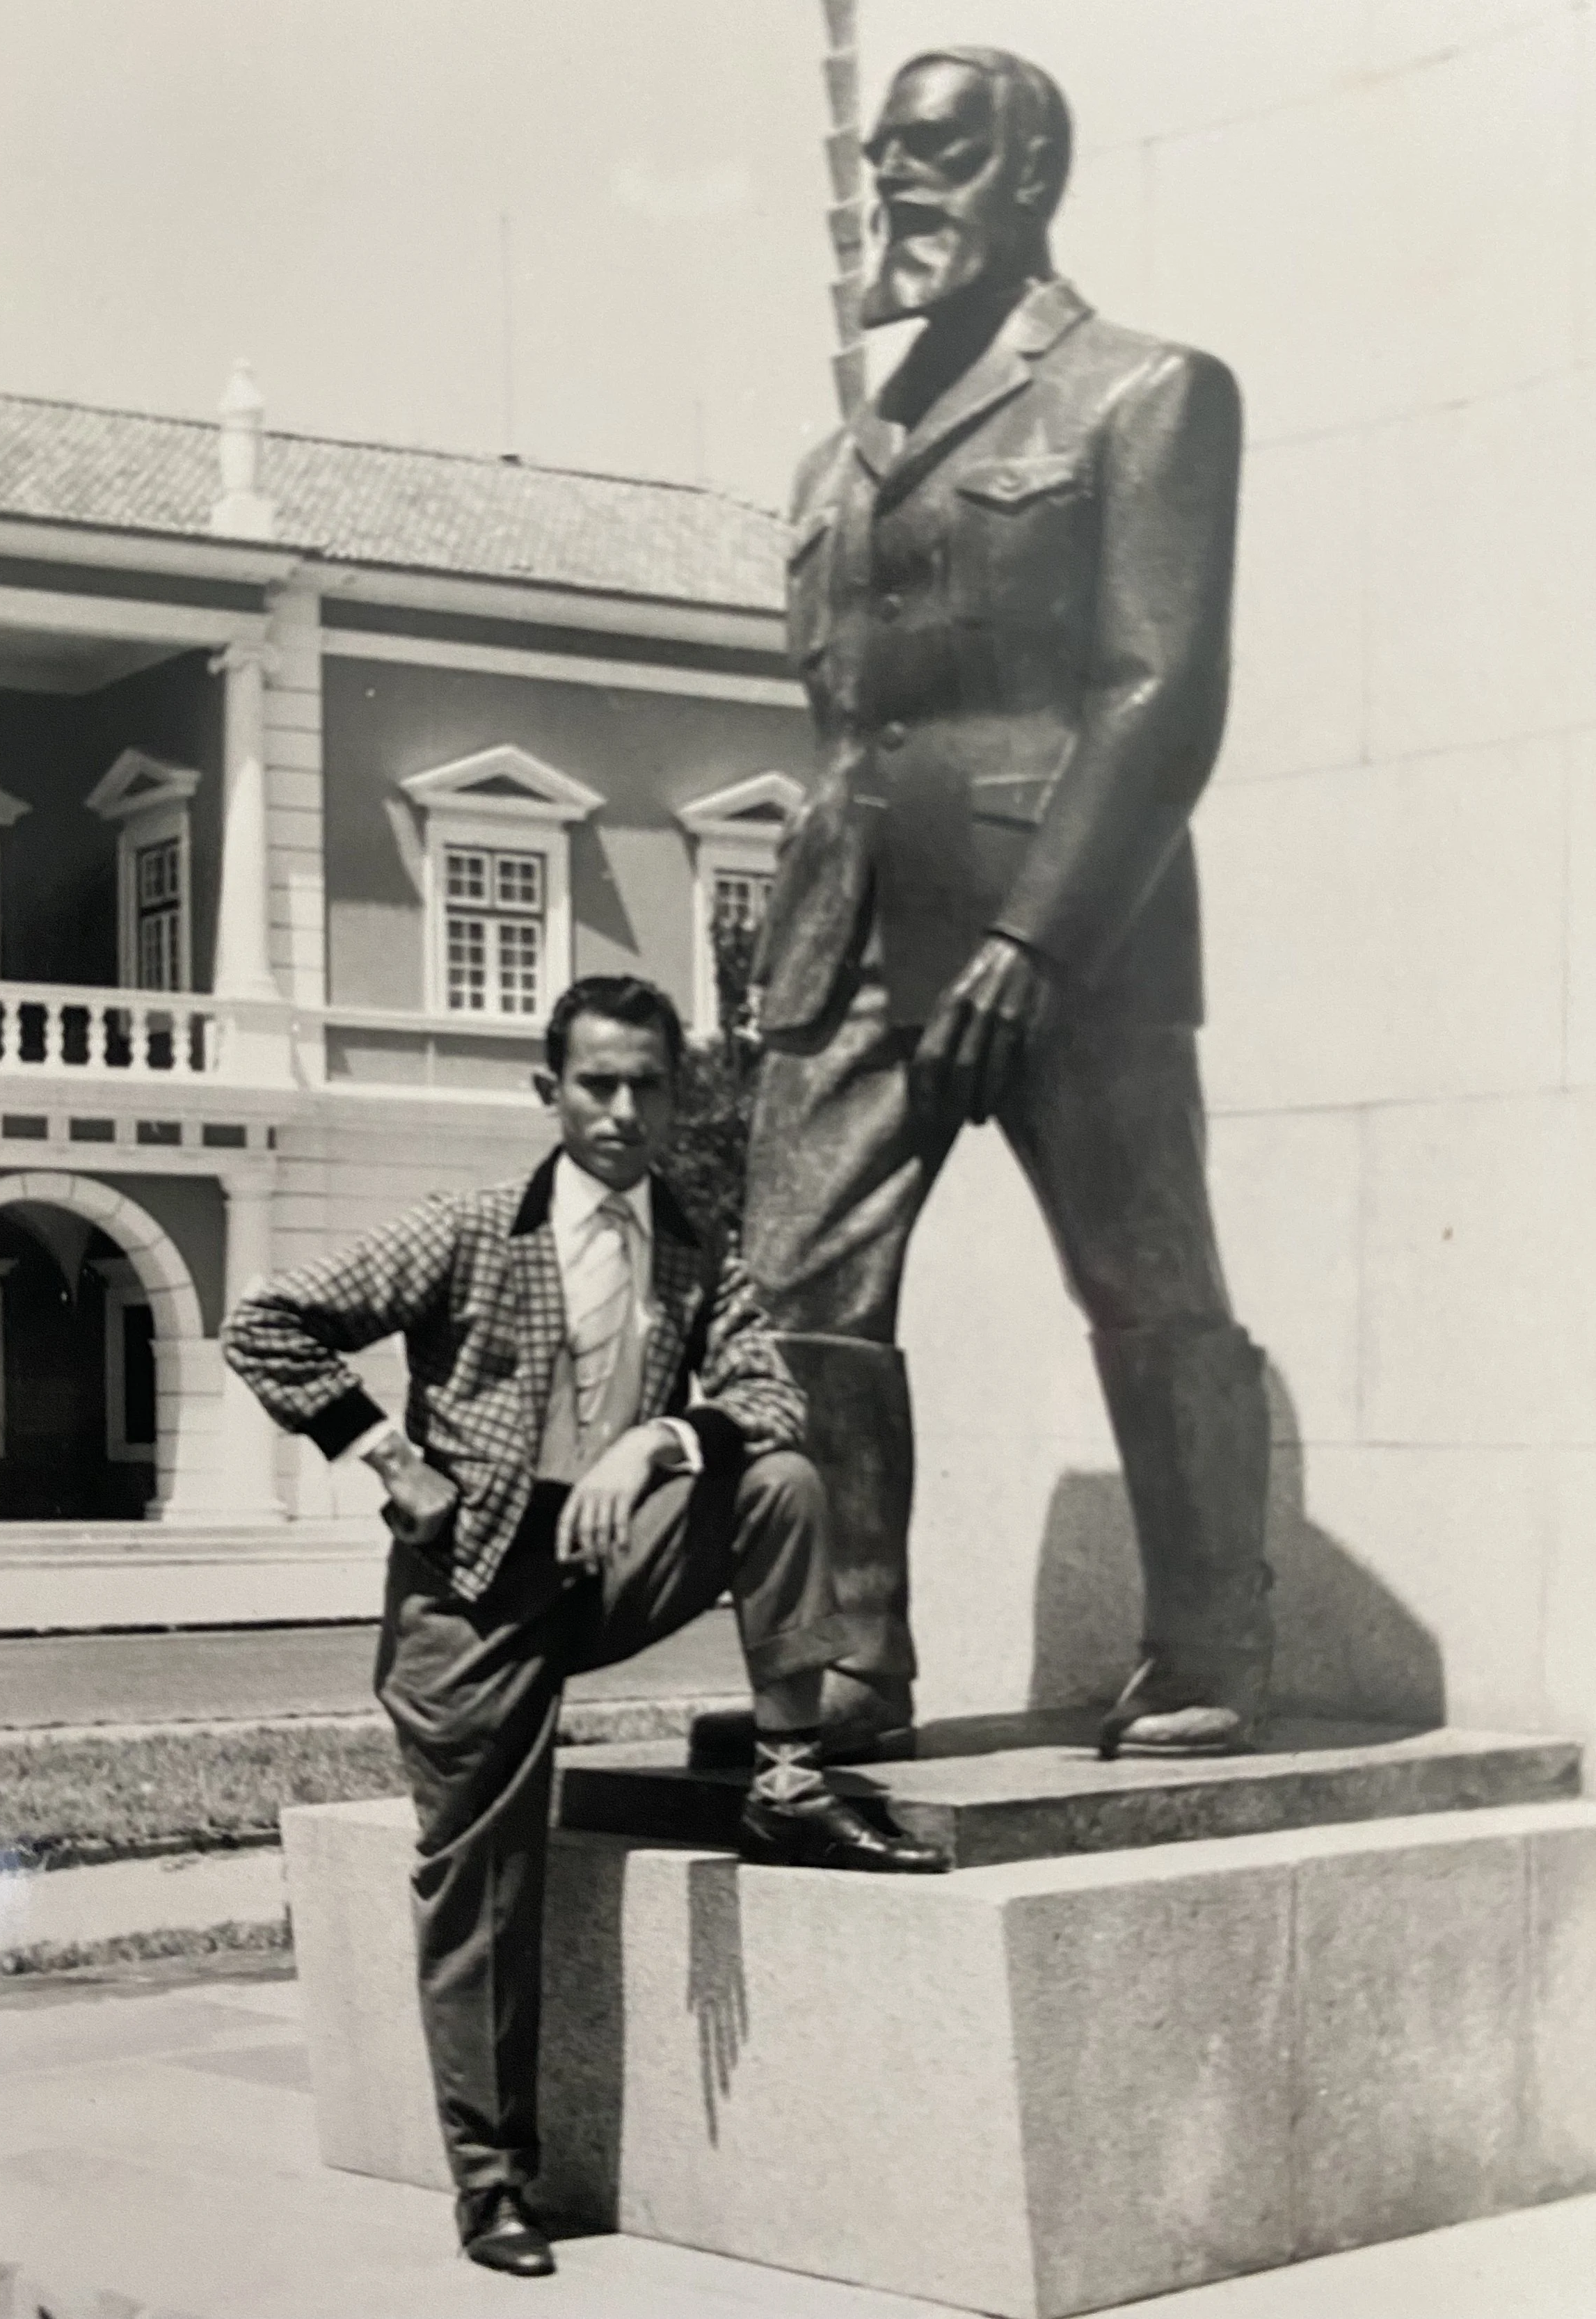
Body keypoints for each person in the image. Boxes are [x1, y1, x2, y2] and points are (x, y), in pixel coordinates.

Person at [221, 973, 945, 2281]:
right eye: (597, 1082)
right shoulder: (465, 1230)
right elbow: (266, 1322)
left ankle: (789, 1780)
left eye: (649, 1084)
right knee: (484, 1885)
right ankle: (494, 2184)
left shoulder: (693, 1247)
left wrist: (658, 1442)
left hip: (606, 1563)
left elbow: (770, 1401)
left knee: (776, 1481)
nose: (622, 1109)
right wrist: (387, 1455)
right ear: (548, 1091)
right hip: (472, 1594)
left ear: (680, 1096)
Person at [737, 46, 1273, 1766]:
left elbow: (1156, 691)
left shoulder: (1146, 392)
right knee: (790, 1290)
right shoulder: (838, 459)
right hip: (846, 935)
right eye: (881, 155)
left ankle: (1207, 1646)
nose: (898, 183)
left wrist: (1034, 938)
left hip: (1073, 937)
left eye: (940, 151)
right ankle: (843, 1666)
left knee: (1146, 1283)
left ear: (1029, 174)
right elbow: (847, 727)